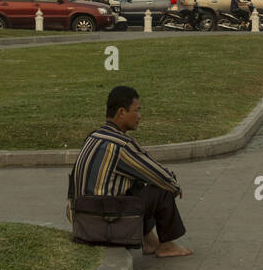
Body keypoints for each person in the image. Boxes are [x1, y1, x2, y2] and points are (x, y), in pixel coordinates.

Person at [70, 86, 191, 258]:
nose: (139, 116)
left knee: (136, 184)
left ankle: (149, 241)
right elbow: (160, 175)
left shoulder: (93, 137)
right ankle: (167, 245)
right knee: (161, 188)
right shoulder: (122, 144)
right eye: (136, 110)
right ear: (121, 112)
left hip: (82, 224)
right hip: (107, 226)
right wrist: (175, 185)